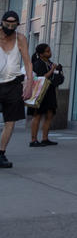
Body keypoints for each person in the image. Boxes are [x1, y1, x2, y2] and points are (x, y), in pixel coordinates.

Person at [0, 10, 32, 168]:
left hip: (13, 84)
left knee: (10, 121)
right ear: (2, 22)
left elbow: (28, 63)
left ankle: (1, 153)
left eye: (13, 25)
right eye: (7, 24)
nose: (10, 27)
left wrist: (29, 84)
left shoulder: (20, 39)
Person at [27, 44, 64, 147]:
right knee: (37, 115)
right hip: (39, 92)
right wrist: (52, 70)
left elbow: (54, 77)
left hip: (50, 91)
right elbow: (40, 78)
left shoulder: (50, 63)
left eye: (50, 50)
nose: (50, 53)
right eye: (47, 51)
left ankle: (45, 138)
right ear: (41, 54)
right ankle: (33, 139)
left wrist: (58, 71)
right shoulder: (38, 64)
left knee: (49, 114)